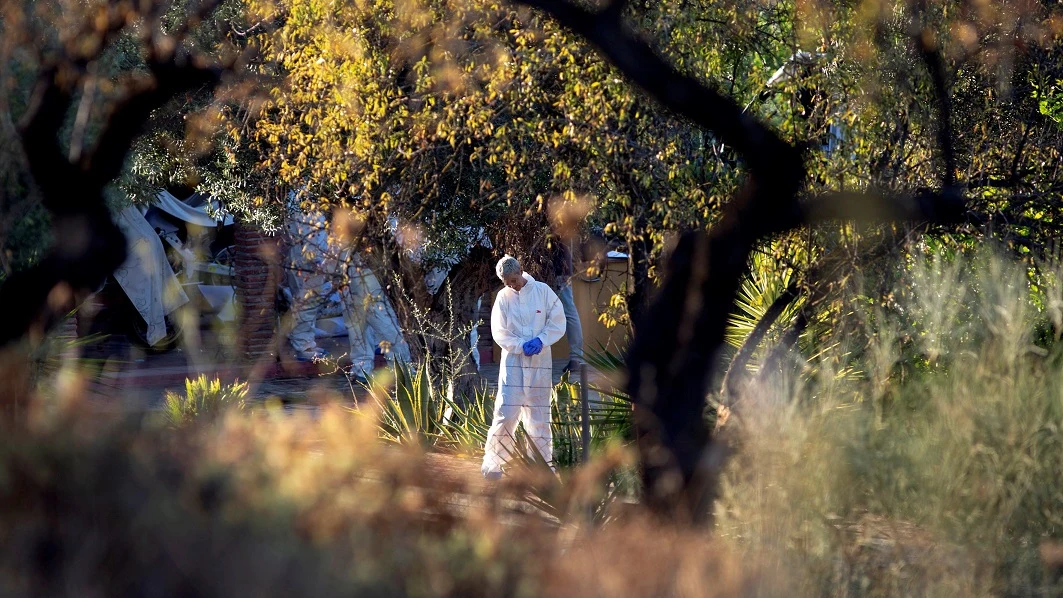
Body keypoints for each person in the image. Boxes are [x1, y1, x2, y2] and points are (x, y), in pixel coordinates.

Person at [481, 255, 566, 479]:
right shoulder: (502, 298)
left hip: (540, 362)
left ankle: (541, 465)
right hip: (513, 363)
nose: (512, 285)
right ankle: (493, 464)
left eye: (514, 280)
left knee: (539, 415)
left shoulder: (543, 291)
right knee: (506, 413)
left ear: (521, 270)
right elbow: (499, 331)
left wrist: (542, 340)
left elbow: (558, 321)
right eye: (507, 282)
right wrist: (519, 345)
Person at [550, 239, 584, 375]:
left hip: (559, 272)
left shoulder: (555, 221)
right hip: (555, 272)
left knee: (569, 312)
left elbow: (563, 243)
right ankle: (576, 358)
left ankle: (576, 358)